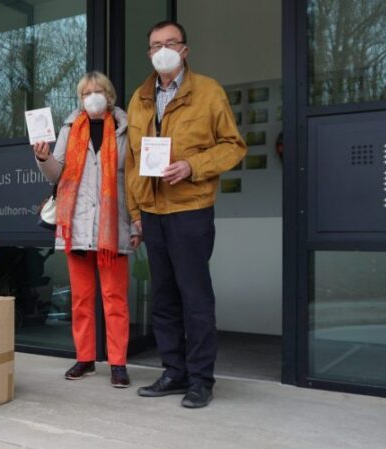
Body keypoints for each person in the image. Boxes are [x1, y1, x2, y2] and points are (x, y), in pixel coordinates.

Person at [124, 21, 246, 408]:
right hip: (153, 212)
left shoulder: (209, 91)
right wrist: (136, 212)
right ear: (149, 54)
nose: (162, 50)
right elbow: (130, 162)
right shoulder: (138, 98)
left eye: (170, 43)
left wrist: (192, 166)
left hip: (191, 209)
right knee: (163, 298)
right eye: (155, 45)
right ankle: (173, 371)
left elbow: (233, 145)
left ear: (184, 50)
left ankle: (201, 379)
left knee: (195, 297)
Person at [34, 71, 138, 388]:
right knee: (81, 299)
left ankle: (118, 363)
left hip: (112, 226)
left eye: (97, 90)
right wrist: (44, 158)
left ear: (109, 95)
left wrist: (137, 220)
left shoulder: (125, 128)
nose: (91, 96)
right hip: (77, 224)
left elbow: (133, 179)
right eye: (85, 92)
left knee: (115, 299)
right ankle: (85, 358)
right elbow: (58, 174)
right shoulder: (70, 127)